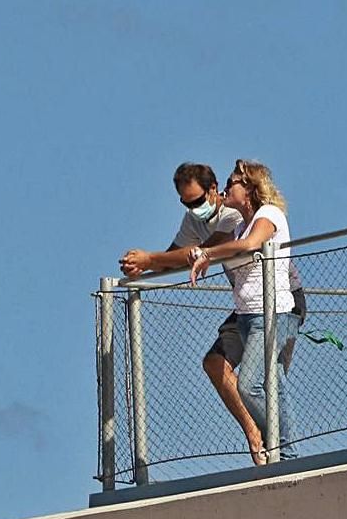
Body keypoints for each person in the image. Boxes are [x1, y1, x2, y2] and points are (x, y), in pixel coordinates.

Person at [120, 162, 306, 465]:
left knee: (257, 383)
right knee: (222, 365)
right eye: (185, 203)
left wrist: (155, 258)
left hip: (281, 303)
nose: (193, 208)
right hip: (247, 309)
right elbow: (179, 256)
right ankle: (263, 438)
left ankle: (281, 448)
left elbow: (223, 247)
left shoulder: (240, 216)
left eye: (197, 201)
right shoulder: (215, 220)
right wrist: (147, 266)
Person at [188, 161, 299, 462]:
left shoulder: (268, 215)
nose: (226, 187)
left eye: (233, 181)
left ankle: (280, 446)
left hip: (274, 314)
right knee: (273, 384)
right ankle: (287, 454)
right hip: (248, 317)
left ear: (250, 187)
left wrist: (209, 253)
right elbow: (233, 245)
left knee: (250, 386)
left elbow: (250, 245)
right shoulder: (238, 226)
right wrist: (206, 255)